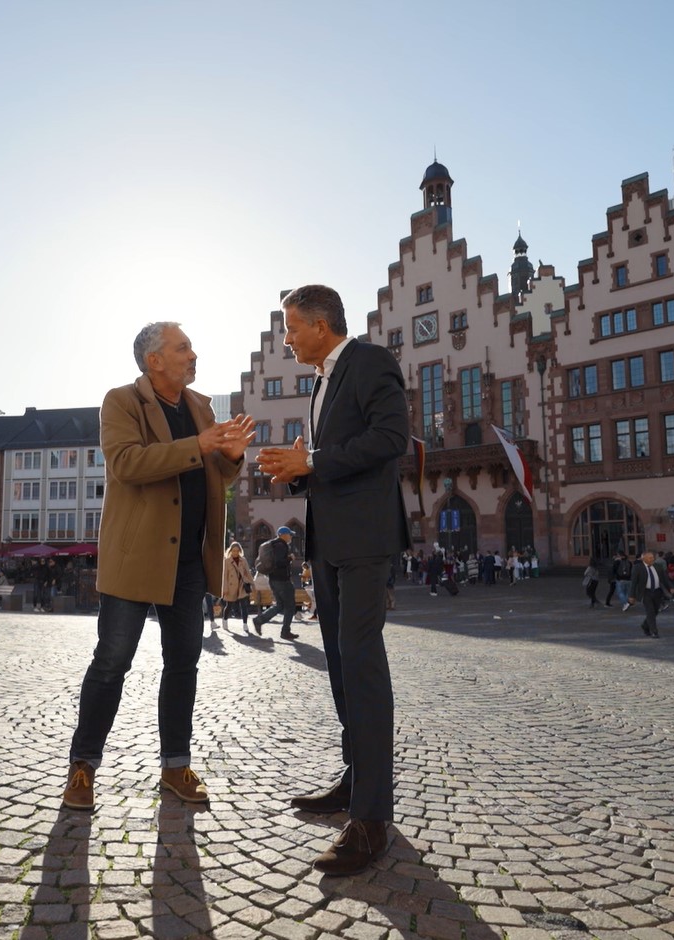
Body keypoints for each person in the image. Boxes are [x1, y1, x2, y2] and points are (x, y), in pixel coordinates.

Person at [62, 322, 251, 812]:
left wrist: (230, 458)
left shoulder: (201, 407)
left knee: (184, 664)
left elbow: (214, 473)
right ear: (155, 361)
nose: (193, 354)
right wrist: (203, 446)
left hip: (189, 558)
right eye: (183, 347)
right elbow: (127, 463)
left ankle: (175, 767)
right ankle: (82, 767)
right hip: (136, 557)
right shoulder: (121, 401)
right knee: (112, 662)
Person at [256, 283, 409, 877]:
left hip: (366, 541)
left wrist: (314, 461)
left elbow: (390, 439)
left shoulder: (370, 361)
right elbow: (336, 458)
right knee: (343, 667)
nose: (287, 338)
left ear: (321, 324)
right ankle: (355, 780)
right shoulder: (320, 382)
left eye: (291, 327)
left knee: (363, 663)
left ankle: (373, 818)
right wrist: (296, 472)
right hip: (330, 543)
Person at [251, 528, 298, 639]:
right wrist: (290, 558)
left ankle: (259, 620)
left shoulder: (274, 545)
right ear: (283, 535)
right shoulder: (281, 545)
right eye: (289, 534)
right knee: (290, 606)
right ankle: (285, 631)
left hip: (273, 580)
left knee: (280, 605)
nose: (291, 536)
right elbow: (279, 562)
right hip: (282, 581)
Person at [630, 549, 674, 638]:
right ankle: (654, 631)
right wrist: (632, 595)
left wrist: (671, 587)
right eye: (650, 558)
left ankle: (645, 625)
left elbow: (665, 578)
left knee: (655, 611)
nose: (652, 559)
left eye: (653, 557)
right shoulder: (638, 568)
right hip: (646, 592)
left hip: (657, 592)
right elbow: (634, 583)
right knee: (650, 611)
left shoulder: (658, 567)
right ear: (644, 559)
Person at [218, 542, 253, 629]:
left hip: (242, 585)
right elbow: (224, 576)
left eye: (237, 551)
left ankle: (245, 624)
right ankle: (225, 620)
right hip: (231, 586)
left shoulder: (243, 560)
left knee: (244, 605)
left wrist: (251, 583)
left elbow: (248, 572)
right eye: (234, 551)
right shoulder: (226, 561)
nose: (235, 553)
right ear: (230, 551)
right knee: (229, 606)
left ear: (240, 551)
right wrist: (225, 588)